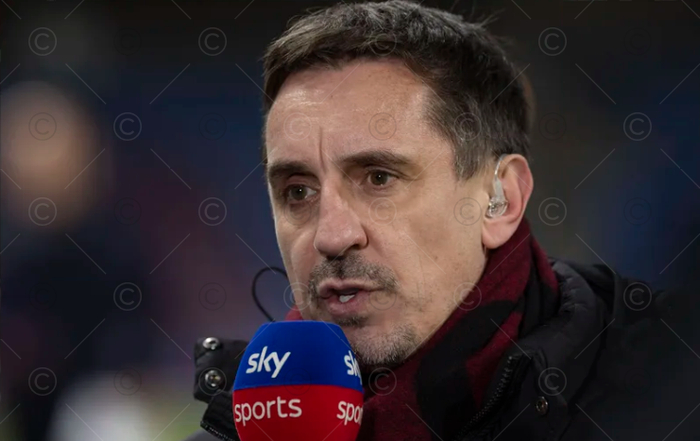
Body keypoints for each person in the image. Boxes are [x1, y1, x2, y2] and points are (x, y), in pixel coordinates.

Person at [184, 1, 700, 440]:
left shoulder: (673, 396)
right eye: (297, 191)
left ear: (500, 200)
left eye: (379, 178)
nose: (332, 235)